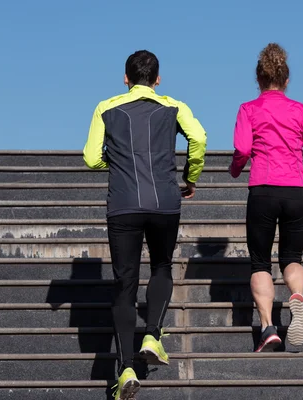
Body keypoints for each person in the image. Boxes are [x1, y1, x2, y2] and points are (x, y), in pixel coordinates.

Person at [83, 50, 207, 399]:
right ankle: (152, 333)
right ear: (157, 79)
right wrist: (190, 175)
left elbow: (92, 157)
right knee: (162, 265)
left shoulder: (106, 108)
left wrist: (120, 163)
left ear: (125, 78)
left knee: (124, 284)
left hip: (123, 203)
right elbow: (199, 139)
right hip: (165, 201)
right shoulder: (174, 106)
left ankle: (124, 371)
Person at [229, 43, 303, 352]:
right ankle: (296, 295)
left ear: (258, 79)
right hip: (297, 190)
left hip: (264, 189)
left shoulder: (248, 109)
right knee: (292, 258)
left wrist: (236, 168)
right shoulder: (300, 110)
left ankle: (268, 327)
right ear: (286, 80)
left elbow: (243, 149)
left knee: (259, 262)